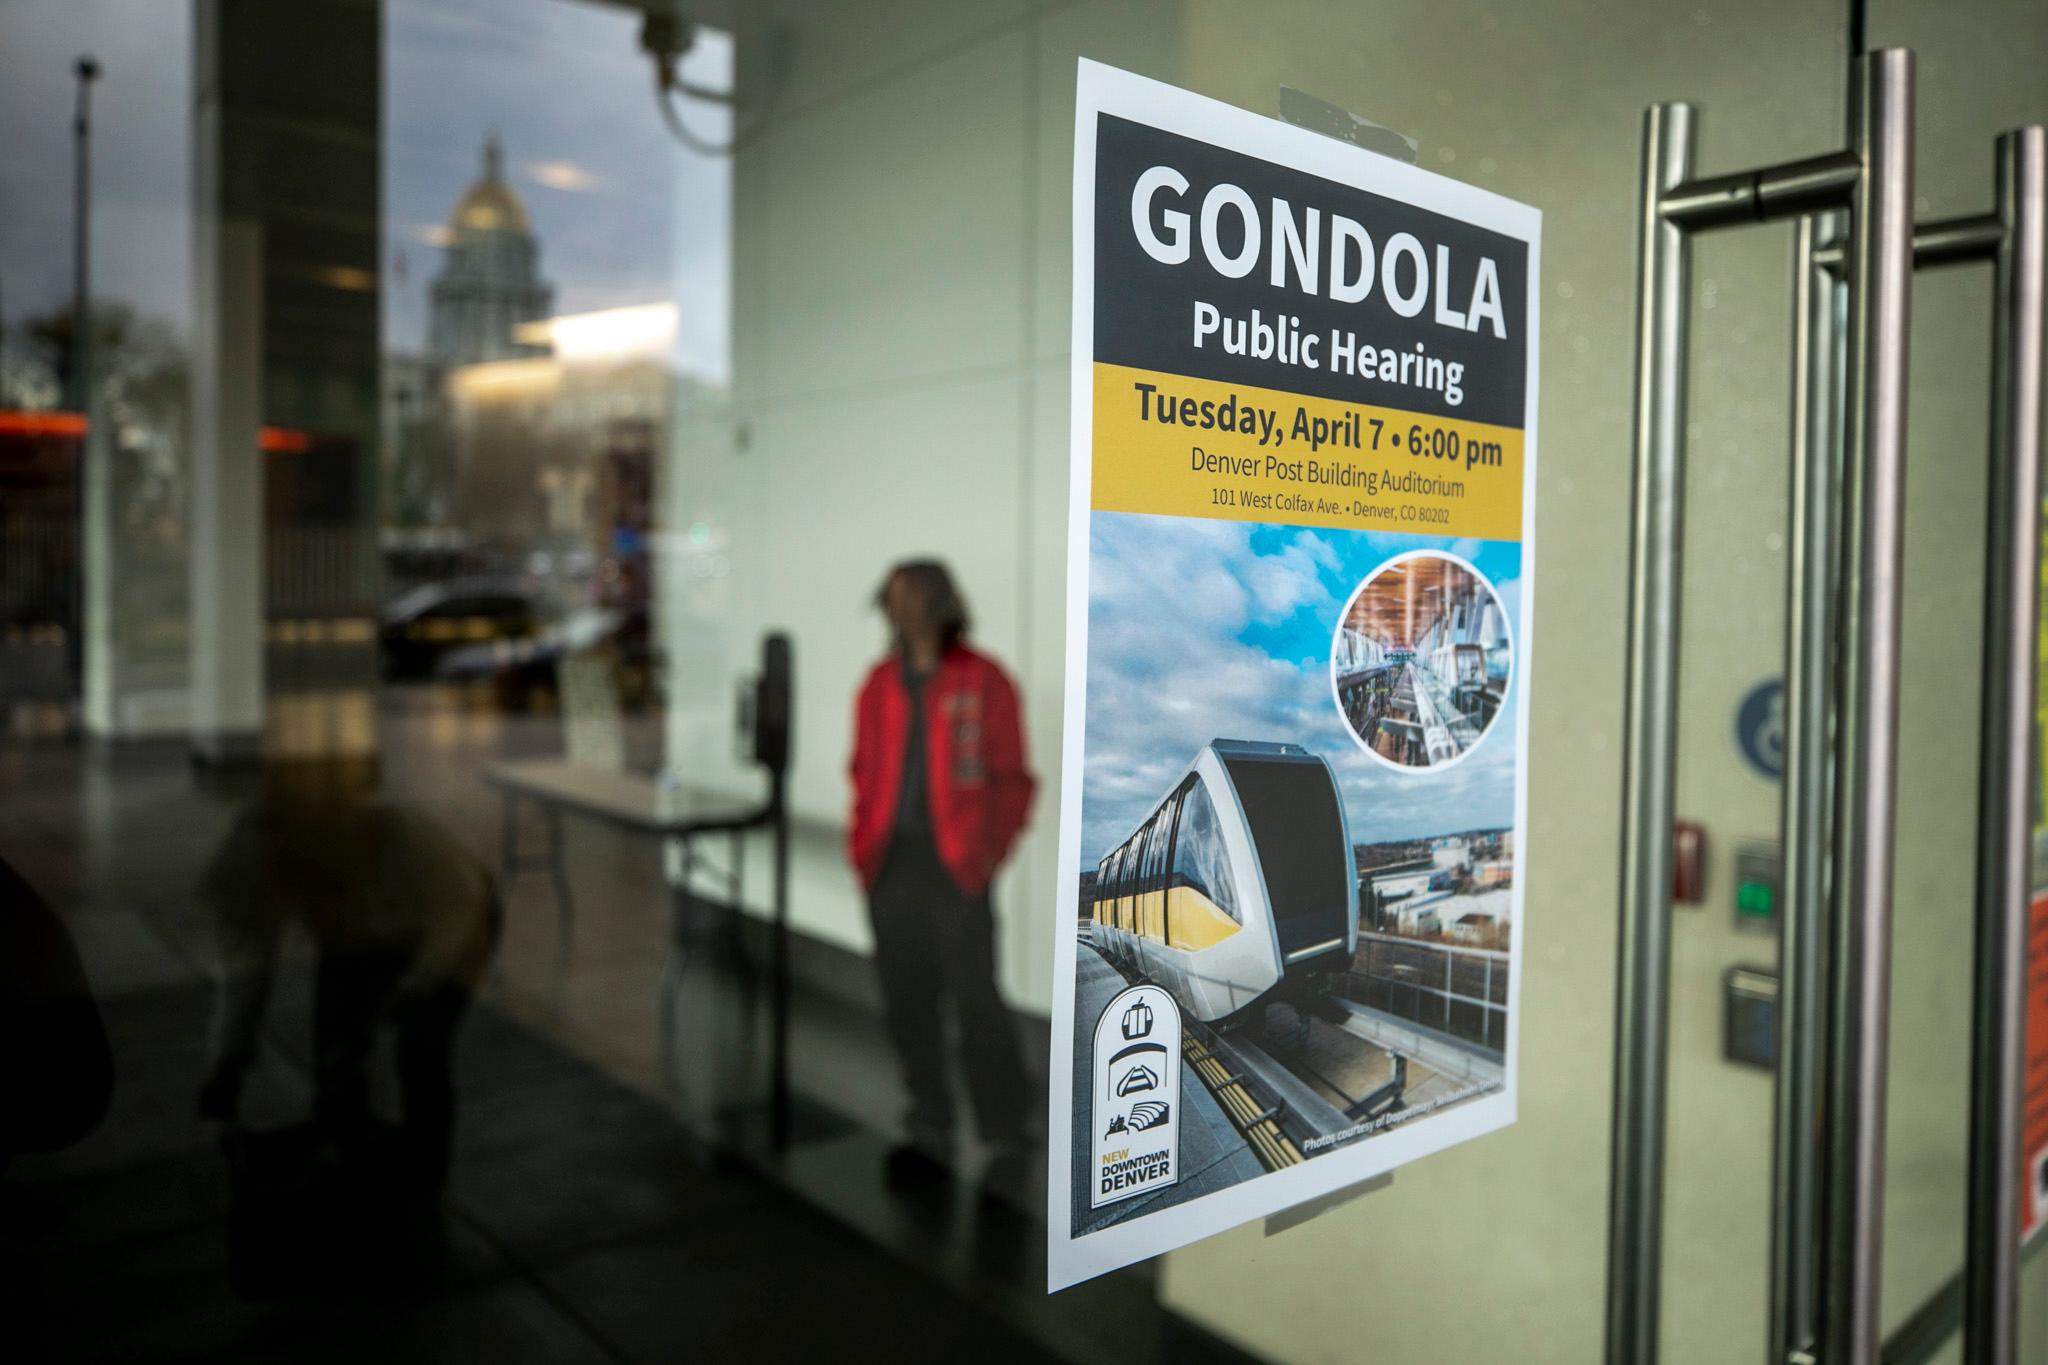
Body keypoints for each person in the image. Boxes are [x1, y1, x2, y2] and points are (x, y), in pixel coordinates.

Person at [847, 560, 1035, 1187]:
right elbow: (862, 773)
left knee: (976, 1001)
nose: (899, 611)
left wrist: (986, 858)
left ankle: (1004, 1127)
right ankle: (929, 1115)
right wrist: (863, 851)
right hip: (892, 868)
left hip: (958, 872)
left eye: (911, 599)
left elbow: (1014, 782)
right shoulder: (878, 685)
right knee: (906, 1001)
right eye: (891, 600)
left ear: (940, 604)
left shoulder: (985, 680)